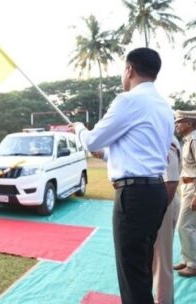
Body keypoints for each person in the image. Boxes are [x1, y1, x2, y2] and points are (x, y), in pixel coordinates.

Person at [70, 47, 173, 303]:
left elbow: (92, 139)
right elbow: (143, 150)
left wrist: (79, 129)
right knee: (141, 266)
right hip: (155, 191)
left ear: (129, 70)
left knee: (132, 274)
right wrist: (107, 155)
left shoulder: (128, 101)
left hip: (134, 196)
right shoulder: (164, 106)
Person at [152, 136, 181, 303]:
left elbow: (170, 182)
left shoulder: (165, 141)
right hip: (163, 200)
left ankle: (163, 301)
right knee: (157, 258)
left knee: (161, 259)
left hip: (165, 201)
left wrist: (157, 213)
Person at [175, 110, 196, 277]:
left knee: (184, 225)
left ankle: (193, 264)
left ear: (189, 123)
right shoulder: (187, 141)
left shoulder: (195, 141)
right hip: (186, 187)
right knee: (188, 225)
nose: (176, 125)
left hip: (193, 188)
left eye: (179, 121)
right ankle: (186, 259)